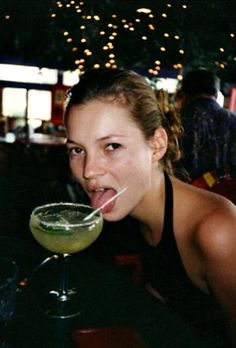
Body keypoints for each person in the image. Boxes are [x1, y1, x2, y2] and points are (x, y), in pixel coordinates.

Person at [64, 68, 236, 346]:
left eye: (112, 146)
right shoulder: (133, 209)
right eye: (77, 149)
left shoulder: (217, 231)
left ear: (156, 145)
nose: (88, 171)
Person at [178, 69, 236, 180]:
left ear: (185, 93)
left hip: (184, 192)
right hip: (227, 193)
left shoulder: (177, 120)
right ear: (215, 93)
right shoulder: (232, 120)